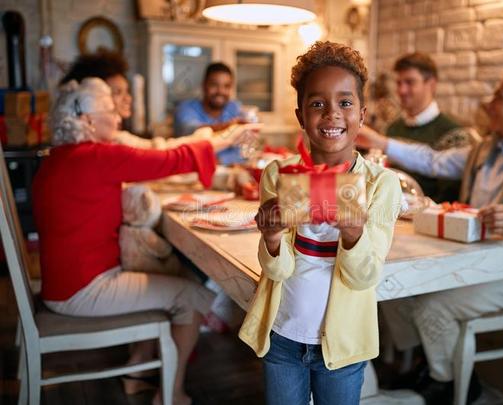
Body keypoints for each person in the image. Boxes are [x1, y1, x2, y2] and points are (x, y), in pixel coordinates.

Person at [356, 69, 503, 405]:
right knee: (396, 288)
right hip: (472, 260)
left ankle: (449, 384)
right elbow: (434, 160)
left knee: (431, 305)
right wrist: (379, 141)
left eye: (500, 97)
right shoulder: (490, 147)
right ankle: (431, 365)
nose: (489, 103)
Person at [33, 78, 218, 405]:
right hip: (83, 290)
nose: (118, 119)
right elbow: (171, 160)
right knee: (191, 294)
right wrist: (217, 140)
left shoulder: (58, 158)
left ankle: (136, 372)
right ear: (88, 120)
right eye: (110, 111)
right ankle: (170, 395)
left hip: (62, 284)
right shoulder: (95, 157)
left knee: (165, 277)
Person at [238, 41, 402, 405]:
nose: (332, 115)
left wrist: (354, 232)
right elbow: (275, 271)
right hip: (282, 336)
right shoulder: (279, 174)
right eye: (317, 104)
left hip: (342, 346)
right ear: (300, 116)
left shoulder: (379, 185)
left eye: (345, 103)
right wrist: (272, 238)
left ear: (362, 113)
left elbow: (363, 277)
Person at [60, 51, 259, 153]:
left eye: (127, 91)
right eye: (117, 92)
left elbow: (157, 149)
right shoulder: (100, 150)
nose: (128, 98)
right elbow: (164, 154)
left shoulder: (114, 139)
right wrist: (229, 132)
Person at [361, 52, 475, 203]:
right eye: (399, 83)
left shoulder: (454, 134)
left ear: (431, 84)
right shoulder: (392, 128)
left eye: (410, 82)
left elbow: (450, 199)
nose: (402, 90)